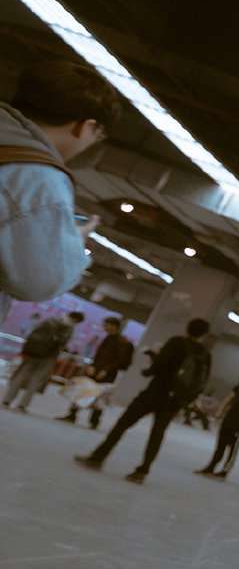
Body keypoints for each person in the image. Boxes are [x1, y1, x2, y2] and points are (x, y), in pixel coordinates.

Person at [0, 58, 116, 321]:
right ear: (85, 126)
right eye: (98, 135)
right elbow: (38, 282)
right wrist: (75, 240)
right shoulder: (38, 177)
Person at [74, 317, 212, 482]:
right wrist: (184, 399)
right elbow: (202, 381)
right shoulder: (205, 354)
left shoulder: (176, 342)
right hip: (175, 400)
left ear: (188, 328)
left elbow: (160, 365)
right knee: (157, 433)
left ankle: (98, 457)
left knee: (123, 424)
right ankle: (142, 471)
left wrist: (149, 365)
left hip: (156, 392)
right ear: (204, 334)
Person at [59, 315, 134, 427]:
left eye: (106, 325)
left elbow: (121, 361)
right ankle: (73, 415)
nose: (104, 327)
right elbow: (99, 356)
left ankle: (94, 420)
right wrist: (92, 366)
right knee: (84, 391)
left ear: (114, 326)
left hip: (108, 373)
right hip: (96, 370)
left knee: (99, 396)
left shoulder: (122, 342)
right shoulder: (108, 338)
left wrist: (106, 370)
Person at [4, 309, 82, 411]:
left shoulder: (50, 321)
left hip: (33, 353)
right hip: (49, 357)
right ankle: (23, 405)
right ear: (76, 321)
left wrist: (26, 349)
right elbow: (62, 343)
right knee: (35, 380)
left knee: (21, 375)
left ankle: (7, 399)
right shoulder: (69, 329)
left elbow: (33, 334)